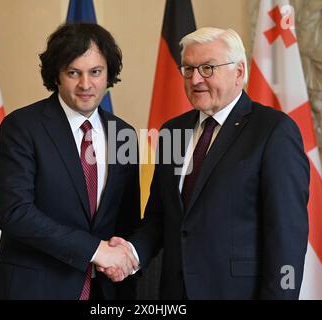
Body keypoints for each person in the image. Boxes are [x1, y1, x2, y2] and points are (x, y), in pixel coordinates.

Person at [101, 27, 310, 299]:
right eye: (188, 69)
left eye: (208, 68)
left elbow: (286, 236)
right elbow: (159, 217)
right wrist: (132, 252)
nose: (196, 79)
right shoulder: (172, 132)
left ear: (239, 72)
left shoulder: (274, 131)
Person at [0, 23, 140, 300]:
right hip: (35, 288)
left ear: (109, 74)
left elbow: (126, 218)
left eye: (95, 72)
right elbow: (15, 213)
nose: (86, 84)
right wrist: (96, 250)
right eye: (73, 72)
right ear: (56, 76)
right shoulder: (21, 127)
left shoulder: (124, 134)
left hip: (105, 291)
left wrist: (124, 256)